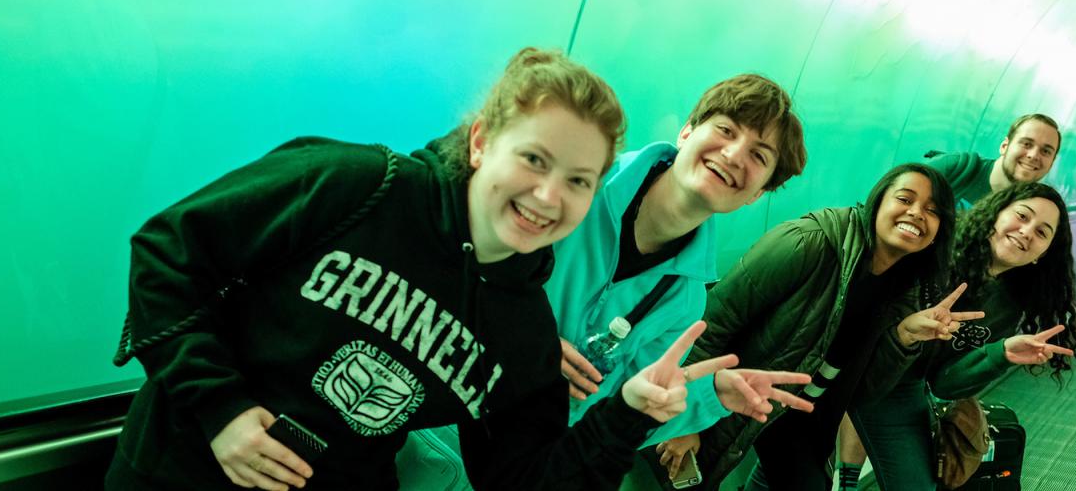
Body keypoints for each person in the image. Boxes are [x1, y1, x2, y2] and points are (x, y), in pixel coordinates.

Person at [105, 47, 740, 491]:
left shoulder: (522, 333)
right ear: (481, 141)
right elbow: (169, 253)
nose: (549, 197)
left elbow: (523, 480)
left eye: (578, 180)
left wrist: (627, 409)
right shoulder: (358, 187)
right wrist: (219, 409)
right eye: (534, 159)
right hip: (177, 467)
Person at [656, 164, 986, 490]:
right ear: (877, 202)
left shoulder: (908, 290)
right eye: (905, 199)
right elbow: (712, 323)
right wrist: (686, 417)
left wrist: (904, 337)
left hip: (805, 415)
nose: (916, 213)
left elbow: (864, 392)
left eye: (932, 210)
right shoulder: (811, 241)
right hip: (733, 395)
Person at [549, 74, 814, 439]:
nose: (734, 155)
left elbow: (618, 420)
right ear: (687, 132)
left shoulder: (684, 303)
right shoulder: (581, 178)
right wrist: (525, 341)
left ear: (758, 193)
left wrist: (710, 396)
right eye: (726, 130)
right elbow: (463, 255)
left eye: (759, 155)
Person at [847, 182, 1076, 490]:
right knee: (795, 475)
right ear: (996, 215)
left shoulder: (1008, 304)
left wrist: (1000, 355)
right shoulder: (936, 247)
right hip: (845, 364)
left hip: (898, 388)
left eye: (1042, 232)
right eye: (1022, 216)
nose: (1027, 232)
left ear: (1043, 254)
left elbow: (943, 382)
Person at [924, 114, 1062, 210]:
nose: (1033, 155)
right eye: (1026, 144)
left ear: (1052, 162)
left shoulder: (1032, 213)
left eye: (1046, 151)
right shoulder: (953, 169)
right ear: (1004, 146)